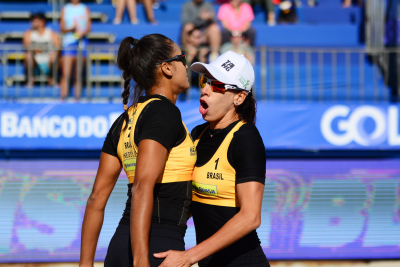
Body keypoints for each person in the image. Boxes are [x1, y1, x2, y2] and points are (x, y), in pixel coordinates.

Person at [79, 34, 196, 267]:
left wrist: (85, 263)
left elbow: (95, 199)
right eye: (181, 58)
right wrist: (141, 260)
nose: (186, 64)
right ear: (167, 68)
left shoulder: (125, 119)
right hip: (155, 249)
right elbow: (143, 186)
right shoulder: (164, 113)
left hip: (121, 246)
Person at [154, 51, 269, 267]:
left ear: (239, 97)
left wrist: (188, 256)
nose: (205, 89)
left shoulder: (245, 138)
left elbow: (251, 217)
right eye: (204, 81)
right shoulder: (197, 134)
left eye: (216, 85)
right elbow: (186, 203)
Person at [60, 0, 91, 99]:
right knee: (66, 74)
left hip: (81, 43)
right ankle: (63, 98)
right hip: (68, 43)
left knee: (78, 74)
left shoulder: (84, 8)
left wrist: (81, 33)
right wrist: (71, 29)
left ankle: (77, 98)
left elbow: (88, 27)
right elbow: (62, 27)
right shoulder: (65, 8)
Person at [23, 13, 60, 87]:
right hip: (35, 63)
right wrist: (35, 50)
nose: (32, 23)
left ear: (42, 22)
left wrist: (43, 51)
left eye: (35, 21)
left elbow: (58, 46)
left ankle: (52, 78)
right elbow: (26, 47)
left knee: (55, 55)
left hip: (48, 62)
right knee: (28, 56)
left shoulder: (51, 33)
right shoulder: (28, 34)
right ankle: (30, 79)